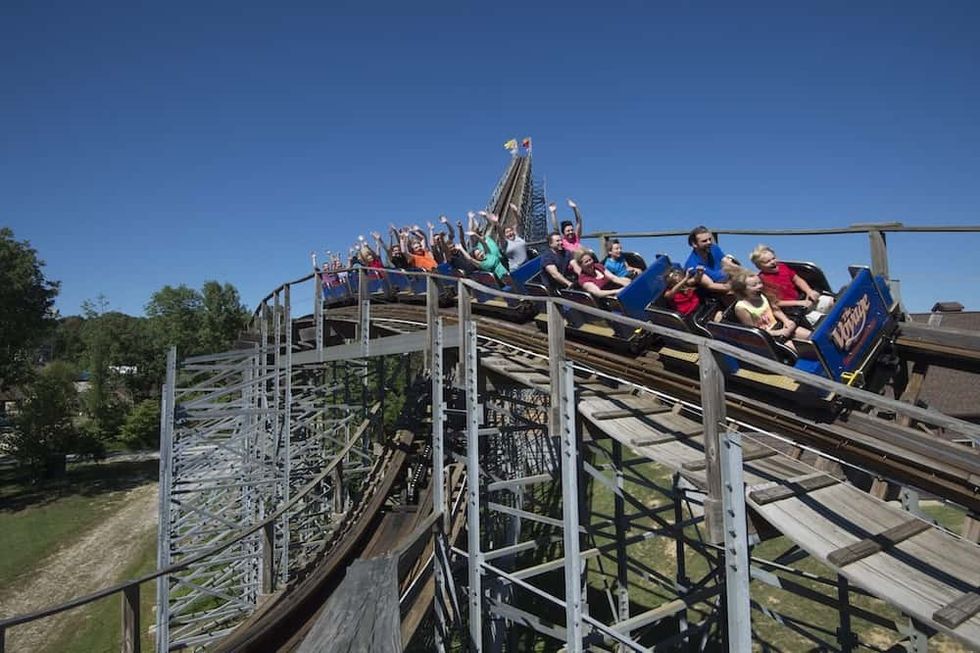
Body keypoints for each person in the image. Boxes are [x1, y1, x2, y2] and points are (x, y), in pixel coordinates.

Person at [749, 244, 833, 323]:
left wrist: (809, 291)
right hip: (794, 310)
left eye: (773, 258)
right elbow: (775, 303)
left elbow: (797, 280)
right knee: (824, 319)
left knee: (832, 302)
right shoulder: (762, 280)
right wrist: (799, 303)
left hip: (804, 299)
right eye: (767, 262)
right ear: (759, 266)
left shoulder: (782, 267)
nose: (773, 262)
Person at [731, 272, 811, 350]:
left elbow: (775, 309)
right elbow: (754, 332)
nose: (760, 286)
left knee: (810, 336)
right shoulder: (741, 308)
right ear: (743, 290)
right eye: (754, 285)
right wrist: (778, 333)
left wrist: (786, 320)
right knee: (801, 350)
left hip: (779, 326)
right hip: (769, 336)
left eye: (760, 283)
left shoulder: (762, 295)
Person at [684, 226, 735, 293]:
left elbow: (729, 264)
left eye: (710, 239)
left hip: (729, 281)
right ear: (694, 244)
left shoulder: (714, 248)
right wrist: (735, 288)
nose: (709, 242)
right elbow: (711, 285)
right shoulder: (692, 264)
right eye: (704, 241)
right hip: (718, 292)